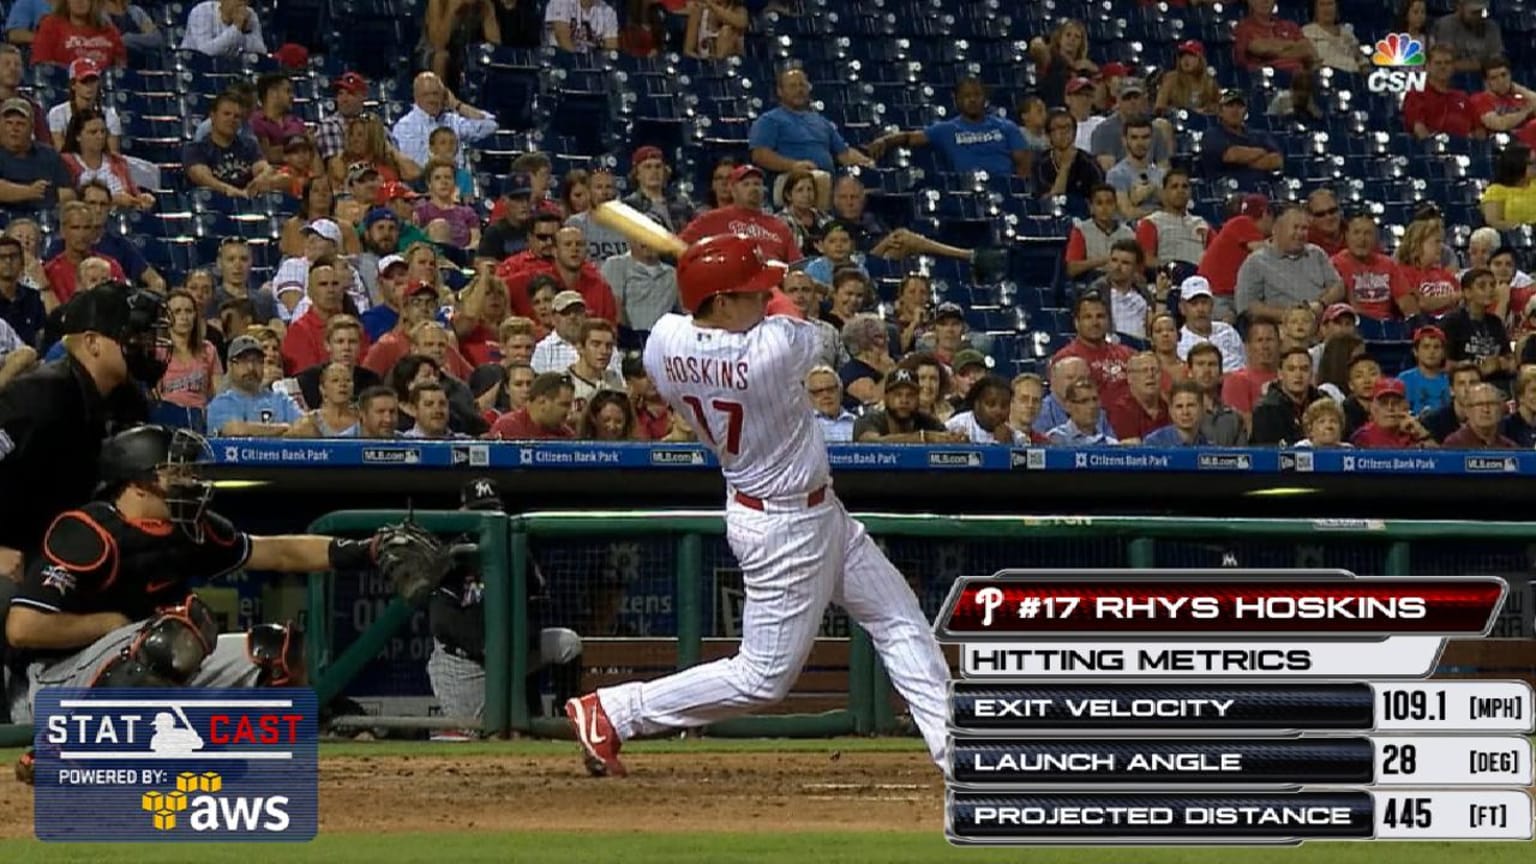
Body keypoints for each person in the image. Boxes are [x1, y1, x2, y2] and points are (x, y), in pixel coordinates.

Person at [565, 234, 950, 778]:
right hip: (784, 523)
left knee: (896, 615)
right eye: (747, 294)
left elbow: (702, 312)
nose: (762, 296)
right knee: (763, 676)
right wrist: (749, 282)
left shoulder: (663, 343)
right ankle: (613, 711)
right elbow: (787, 309)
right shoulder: (771, 351)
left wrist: (713, 275)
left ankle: (957, 749)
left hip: (807, 511)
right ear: (722, 304)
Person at [6, 424, 448, 779]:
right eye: (175, 473)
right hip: (56, 683)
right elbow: (22, 629)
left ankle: (210, 750)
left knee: (275, 651)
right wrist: (111, 624)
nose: (191, 481)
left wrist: (364, 550)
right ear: (137, 484)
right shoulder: (86, 530)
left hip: (139, 661)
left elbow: (276, 551)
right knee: (172, 630)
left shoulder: (189, 527)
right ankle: (66, 748)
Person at [0, 282, 164, 585]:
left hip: (71, 552)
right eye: (134, 335)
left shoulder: (128, 400)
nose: (146, 345)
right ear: (92, 343)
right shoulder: (37, 397)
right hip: (16, 555)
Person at [427, 478, 584, 740]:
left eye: (492, 510)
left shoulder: (517, 551)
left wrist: (515, 644)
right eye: (479, 512)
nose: (487, 518)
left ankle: (565, 713)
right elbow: (443, 623)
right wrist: (489, 645)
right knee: (487, 734)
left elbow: (536, 609)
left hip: (511, 652)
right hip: (462, 661)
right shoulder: (452, 556)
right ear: (463, 514)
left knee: (569, 643)